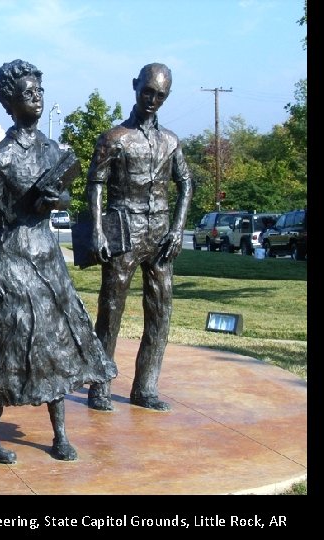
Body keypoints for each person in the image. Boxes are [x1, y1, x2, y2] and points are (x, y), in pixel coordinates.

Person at [0, 59, 117, 464]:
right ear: (8, 100)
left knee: (54, 341)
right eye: (27, 91)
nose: (36, 96)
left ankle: (59, 432)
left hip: (47, 256)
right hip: (11, 255)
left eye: (40, 89)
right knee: (7, 342)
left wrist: (58, 199)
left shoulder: (54, 151)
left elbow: (64, 201)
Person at [85, 63, 193, 412]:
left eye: (160, 95)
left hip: (161, 236)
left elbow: (186, 184)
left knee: (160, 311)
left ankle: (145, 387)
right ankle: (100, 386)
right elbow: (96, 184)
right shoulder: (114, 138)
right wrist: (98, 230)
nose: (152, 99)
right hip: (124, 231)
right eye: (148, 91)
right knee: (111, 309)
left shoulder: (171, 141)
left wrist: (177, 228)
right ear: (136, 87)